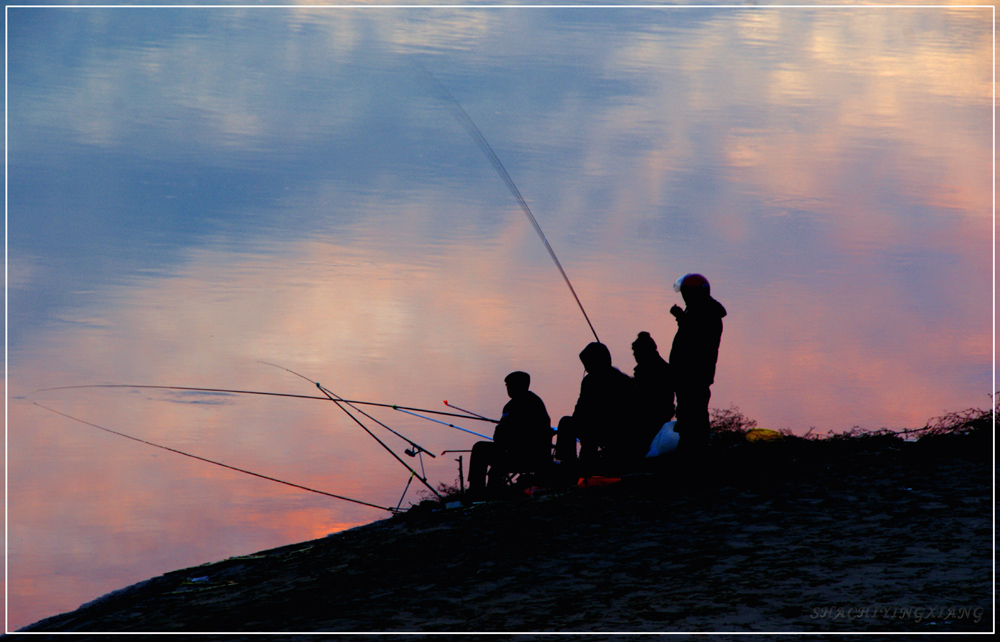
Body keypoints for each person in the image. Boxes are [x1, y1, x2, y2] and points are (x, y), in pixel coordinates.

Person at [669, 273, 726, 452]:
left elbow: (695, 339)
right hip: (691, 374)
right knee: (691, 411)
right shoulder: (700, 309)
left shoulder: (705, 313)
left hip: (693, 375)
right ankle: (692, 446)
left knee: (692, 412)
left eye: (685, 293)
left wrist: (680, 318)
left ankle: (692, 450)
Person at [468, 371, 552, 493]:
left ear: (519, 385)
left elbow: (500, 436)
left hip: (521, 457)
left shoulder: (512, 406)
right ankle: (483, 490)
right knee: (485, 449)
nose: (507, 388)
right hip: (535, 456)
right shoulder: (536, 401)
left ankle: (476, 490)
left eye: (509, 385)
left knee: (479, 448)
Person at [555, 342, 636, 469]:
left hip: (609, 428)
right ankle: (576, 461)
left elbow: (581, 409)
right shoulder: (621, 379)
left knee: (569, 423)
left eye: (587, 364)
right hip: (604, 426)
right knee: (575, 423)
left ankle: (570, 463)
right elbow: (581, 408)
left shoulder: (593, 382)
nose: (586, 369)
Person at [631, 331, 675, 456]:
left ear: (643, 351)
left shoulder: (649, 370)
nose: (634, 356)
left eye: (636, 353)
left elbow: (641, 395)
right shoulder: (662, 367)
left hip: (651, 417)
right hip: (661, 414)